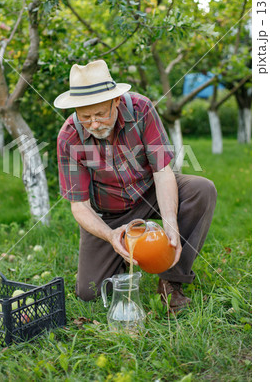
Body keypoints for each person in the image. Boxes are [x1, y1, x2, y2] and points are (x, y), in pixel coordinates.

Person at [55, 60, 217, 312]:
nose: (94, 124)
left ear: (117, 100)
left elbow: (163, 173)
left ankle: (172, 280)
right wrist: (110, 236)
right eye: (85, 117)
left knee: (202, 189)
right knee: (89, 292)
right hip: (109, 214)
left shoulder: (141, 109)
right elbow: (80, 206)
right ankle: (123, 254)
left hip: (150, 193)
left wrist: (170, 224)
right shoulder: (68, 137)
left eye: (100, 114)